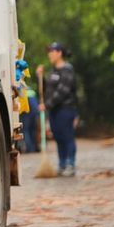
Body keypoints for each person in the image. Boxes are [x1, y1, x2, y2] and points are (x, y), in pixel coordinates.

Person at [36, 42, 78, 177]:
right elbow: (48, 90)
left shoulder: (67, 69)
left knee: (67, 137)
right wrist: (40, 77)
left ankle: (70, 164)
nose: (50, 54)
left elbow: (63, 91)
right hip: (54, 111)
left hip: (66, 109)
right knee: (58, 138)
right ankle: (62, 164)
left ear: (59, 53)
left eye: (52, 51)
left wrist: (47, 105)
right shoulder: (53, 71)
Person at [20, 87, 40, 153]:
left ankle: (30, 149)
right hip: (35, 112)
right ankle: (34, 147)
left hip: (27, 111)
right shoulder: (32, 91)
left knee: (26, 130)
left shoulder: (23, 91)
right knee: (33, 130)